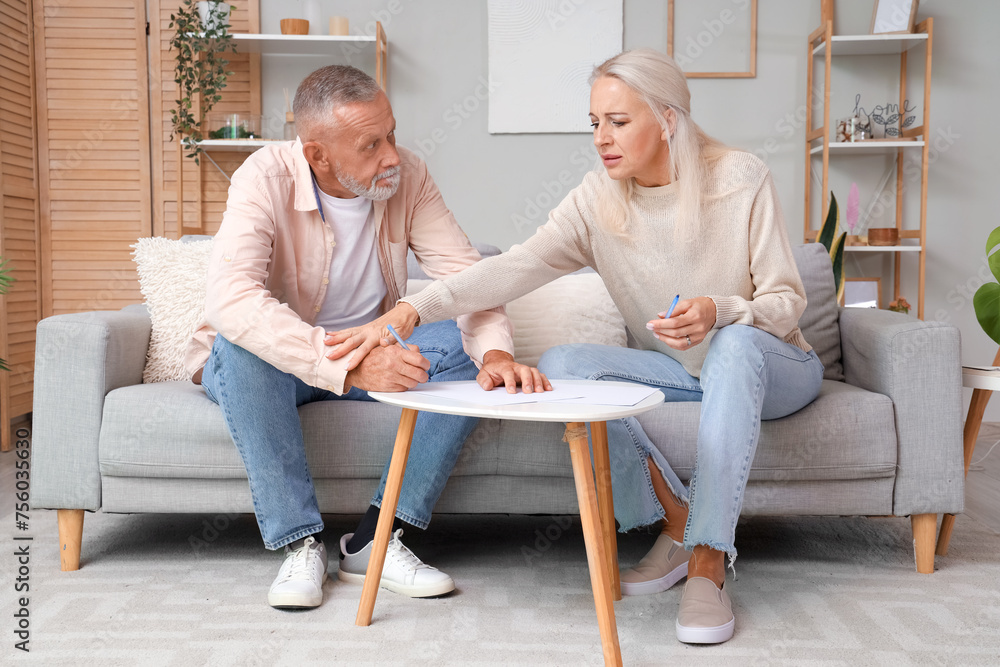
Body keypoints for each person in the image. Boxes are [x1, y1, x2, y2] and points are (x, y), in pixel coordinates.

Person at [353, 49, 824, 644]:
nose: (602, 138)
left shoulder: (739, 177)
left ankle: (707, 558)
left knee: (733, 347)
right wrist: (411, 309)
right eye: (595, 122)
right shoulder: (596, 200)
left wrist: (721, 310)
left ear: (668, 119)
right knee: (564, 363)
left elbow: (786, 301)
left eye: (619, 122)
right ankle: (676, 523)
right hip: (684, 372)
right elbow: (512, 268)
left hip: (774, 364)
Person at [184, 65, 548, 610]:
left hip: (373, 350)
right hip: (284, 358)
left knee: (462, 348)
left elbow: (465, 280)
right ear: (317, 155)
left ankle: (375, 541)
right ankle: (300, 544)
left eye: (393, 134)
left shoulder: (411, 177)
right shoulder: (263, 176)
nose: (392, 156)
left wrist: (494, 352)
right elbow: (232, 300)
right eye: (370, 144)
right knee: (237, 348)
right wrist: (347, 367)